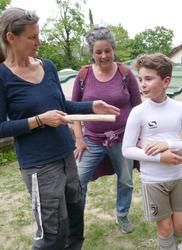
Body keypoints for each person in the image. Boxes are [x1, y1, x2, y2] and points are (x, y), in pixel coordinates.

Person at [0, 8, 120, 250]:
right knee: (52, 233)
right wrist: (39, 120)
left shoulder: (48, 66)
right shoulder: (3, 76)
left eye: (38, 35)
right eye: (32, 37)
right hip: (39, 165)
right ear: (11, 38)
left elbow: (61, 105)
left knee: (75, 221)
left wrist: (91, 105)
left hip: (66, 155)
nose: (39, 42)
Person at [122, 53, 182, 250]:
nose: (143, 84)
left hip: (177, 178)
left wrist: (168, 143)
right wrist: (160, 157)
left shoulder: (181, 109)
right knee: (165, 230)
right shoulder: (138, 112)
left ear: (166, 81)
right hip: (153, 181)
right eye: (141, 79)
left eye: (149, 79)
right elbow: (127, 150)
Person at [71, 27, 141, 234]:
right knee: (78, 181)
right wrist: (79, 139)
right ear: (92, 53)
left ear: (113, 50)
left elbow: (138, 108)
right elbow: (73, 109)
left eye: (107, 51)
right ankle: (76, 223)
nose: (103, 56)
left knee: (126, 180)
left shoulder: (125, 74)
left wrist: (137, 137)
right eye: (98, 52)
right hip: (91, 140)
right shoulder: (83, 75)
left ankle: (122, 216)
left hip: (122, 139)